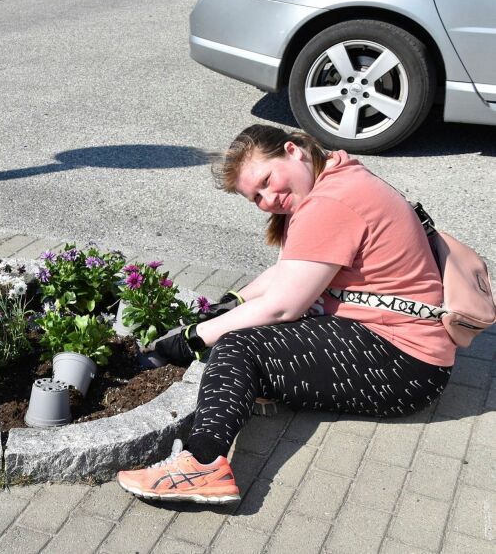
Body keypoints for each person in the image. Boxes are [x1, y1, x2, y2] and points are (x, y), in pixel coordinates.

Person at [117, 124, 454, 504]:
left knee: (238, 347)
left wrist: (192, 338)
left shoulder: (331, 203)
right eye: (256, 197)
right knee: (245, 333)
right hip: (396, 343)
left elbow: (283, 305)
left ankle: (201, 464)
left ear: (292, 151)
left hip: (404, 366)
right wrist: (229, 304)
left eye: (266, 180)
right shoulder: (336, 173)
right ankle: (257, 389)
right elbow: (287, 276)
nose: (268, 198)